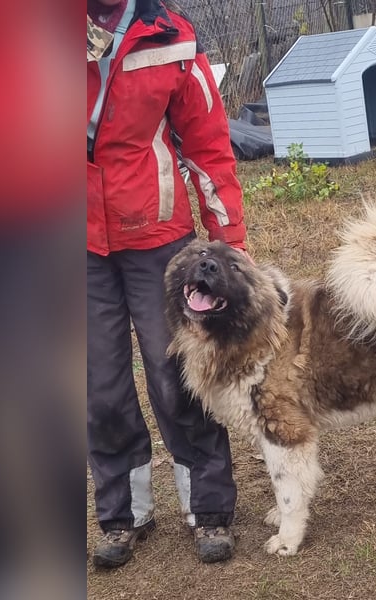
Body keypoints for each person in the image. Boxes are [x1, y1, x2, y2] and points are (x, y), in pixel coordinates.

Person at [87, 0, 249, 568]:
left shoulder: (171, 38)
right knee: (98, 385)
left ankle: (208, 508)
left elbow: (208, 146)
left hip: (157, 236)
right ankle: (123, 514)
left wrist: (227, 237)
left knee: (177, 375)